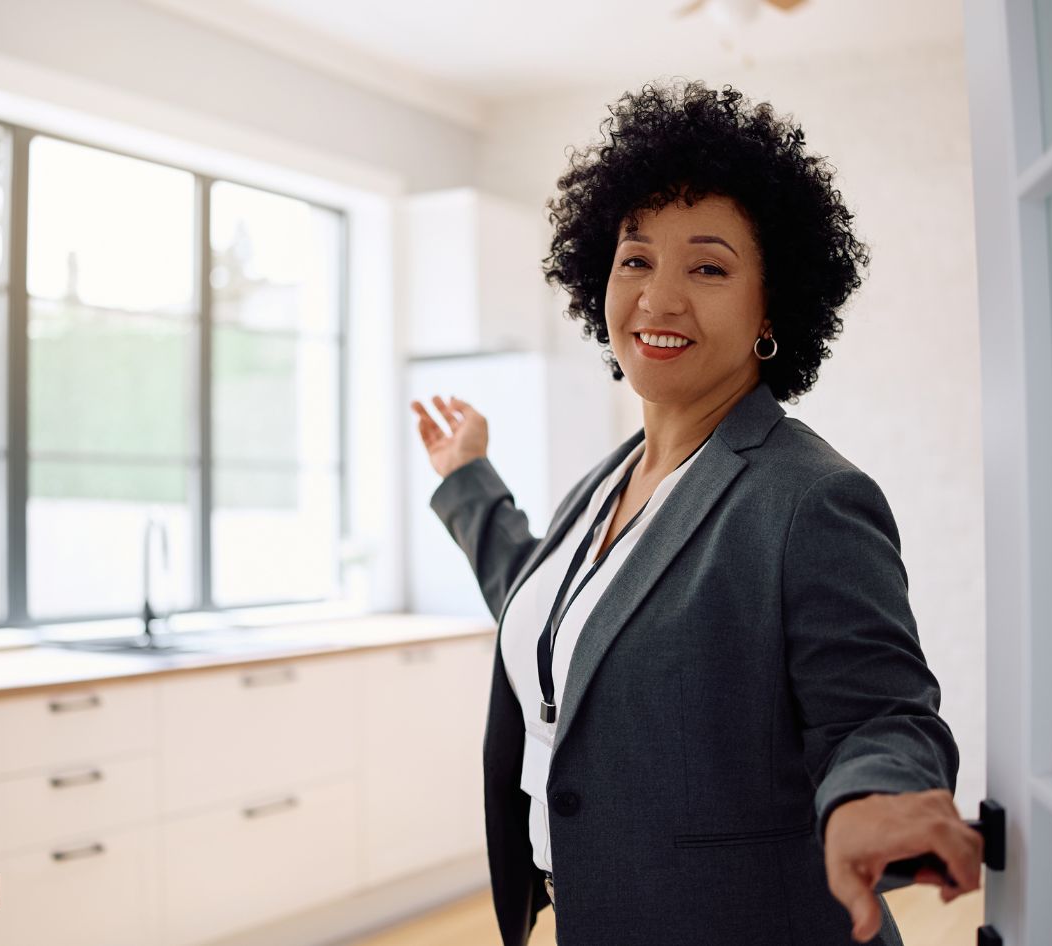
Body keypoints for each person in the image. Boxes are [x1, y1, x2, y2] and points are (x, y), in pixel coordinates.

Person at [409, 81, 976, 945]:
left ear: (770, 309)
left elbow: (878, 711)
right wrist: (467, 477)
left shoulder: (810, 497)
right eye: (636, 259)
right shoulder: (605, 483)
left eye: (707, 267)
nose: (659, 298)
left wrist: (876, 797)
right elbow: (560, 627)